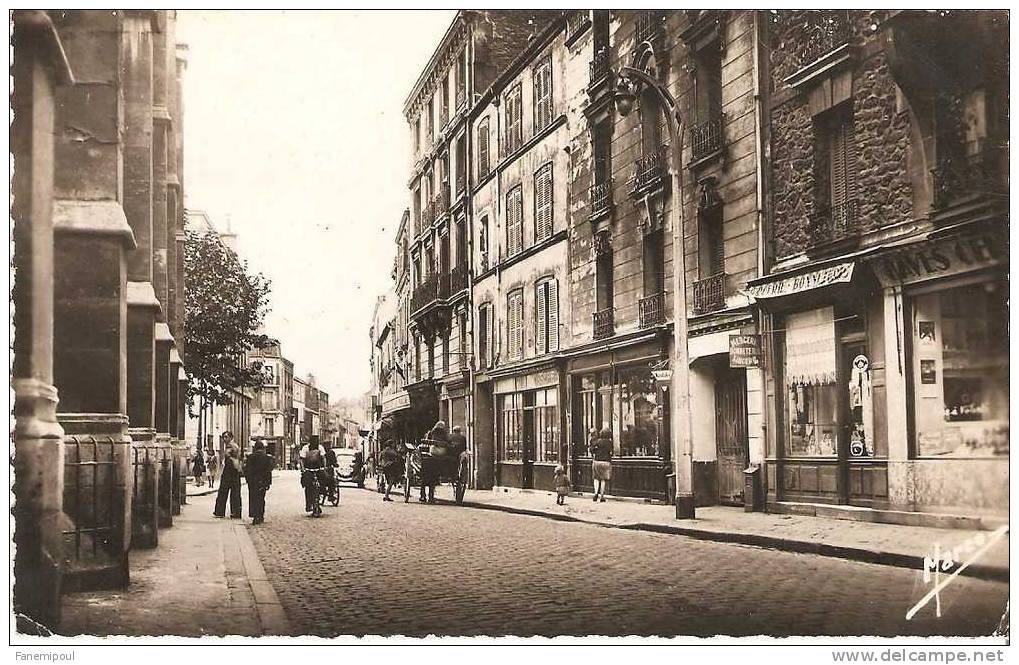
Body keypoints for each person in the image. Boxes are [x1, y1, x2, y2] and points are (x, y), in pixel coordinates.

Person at [244, 440, 274, 524]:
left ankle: (255, 515)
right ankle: (260, 515)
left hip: (253, 481)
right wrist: (268, 483)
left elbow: (247, 470)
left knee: (253, 498)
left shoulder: (251, 457)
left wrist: (248, 480)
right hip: (263, 481)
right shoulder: (267, 458)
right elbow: (269, 471)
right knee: (261, 498)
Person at [421, 420, 449, 503]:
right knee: (433, 479)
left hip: (433, 451)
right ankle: (431, 496)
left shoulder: (432, 432)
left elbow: (427, 441)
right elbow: (447, 441)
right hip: (441, 452)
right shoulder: (444, 433)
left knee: (424, 478)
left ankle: (423, 495)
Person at [213, 444, 244, 518]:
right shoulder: (236, 451)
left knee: (223, 493)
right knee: (235, 494)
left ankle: (220, 512)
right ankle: (236, 513)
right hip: (234, 475)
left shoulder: (230, 448)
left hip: (229, 474)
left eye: (226, 437)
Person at [299, 439, 326, 516]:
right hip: (309, 469)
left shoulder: (320, 447)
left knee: (323, 479)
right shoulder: (305, 448)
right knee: (307, 484)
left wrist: (323, 467)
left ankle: (323, 491)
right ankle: (309, 504)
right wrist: (303, 469)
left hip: (318, 468)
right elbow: (302, 460)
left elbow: (323, 458)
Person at [591, 425, 613, 502]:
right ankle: (602, 496)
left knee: (596, 479)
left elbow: (592, 450)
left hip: (597, 461)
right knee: (603, 479)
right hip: (606, 462)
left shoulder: (597, 441)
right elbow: (611, 452)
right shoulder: (609, 442)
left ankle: (596, 493)